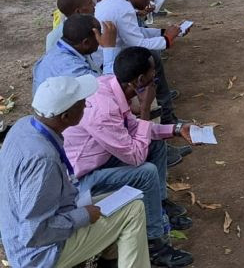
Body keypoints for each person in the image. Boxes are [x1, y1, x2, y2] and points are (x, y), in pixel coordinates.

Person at [0, 75, 150, 267]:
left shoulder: (24, 125)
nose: (87, 105)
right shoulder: (43, 161)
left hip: (25, 232)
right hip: (40, 255)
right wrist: (83, 216)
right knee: (133, 210)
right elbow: (34, 232)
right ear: (66, 117)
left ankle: (108, 259)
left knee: (123, 202)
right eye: (82, 103)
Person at [64, 48, 195, 267]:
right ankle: (155, 244)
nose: (156, 79)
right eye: (154, 75)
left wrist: (176, 129)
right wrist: (145, 107)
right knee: (146, 172)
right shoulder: (103, 109)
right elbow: (135, 157)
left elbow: (134, 128)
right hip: (82, 180)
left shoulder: (113, 86)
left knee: (155, 144)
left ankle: (160, 206)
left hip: (102, 158)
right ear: (141, 80)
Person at [95, 0, 182, 124]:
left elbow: (134, 33)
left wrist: (163, 33)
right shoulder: (124, 10)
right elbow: (138, 43)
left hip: (108, 53)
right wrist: (167, 40)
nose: (152, 0)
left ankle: (164, 105)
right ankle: (164, 114)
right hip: (109, 60)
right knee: (151, 60)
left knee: (153, 59)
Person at [34, 14, 117, 94]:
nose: (101, 38)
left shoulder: (56, 50)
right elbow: (108, 89)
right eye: (99, 35)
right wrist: (109, 48)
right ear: (86, 43)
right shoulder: (72, 67)